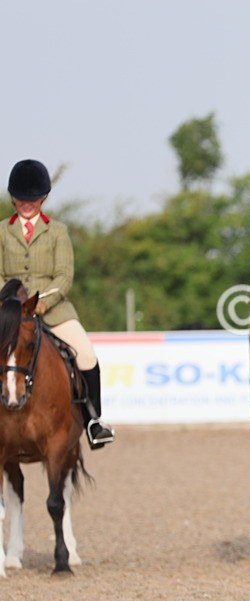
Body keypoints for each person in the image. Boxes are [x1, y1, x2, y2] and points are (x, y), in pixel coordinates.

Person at [1, 159, 114, 449]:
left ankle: (94, 421)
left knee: (86, 355)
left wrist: (42, 302)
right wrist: (14, 302)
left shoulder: (58, 231)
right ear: (14, 198)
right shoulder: (2, 232)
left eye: (33, 199)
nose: (27, 204)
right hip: (10, 311)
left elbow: (64, 276)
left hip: (52, 308)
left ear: (43, 198)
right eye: (22, 199)